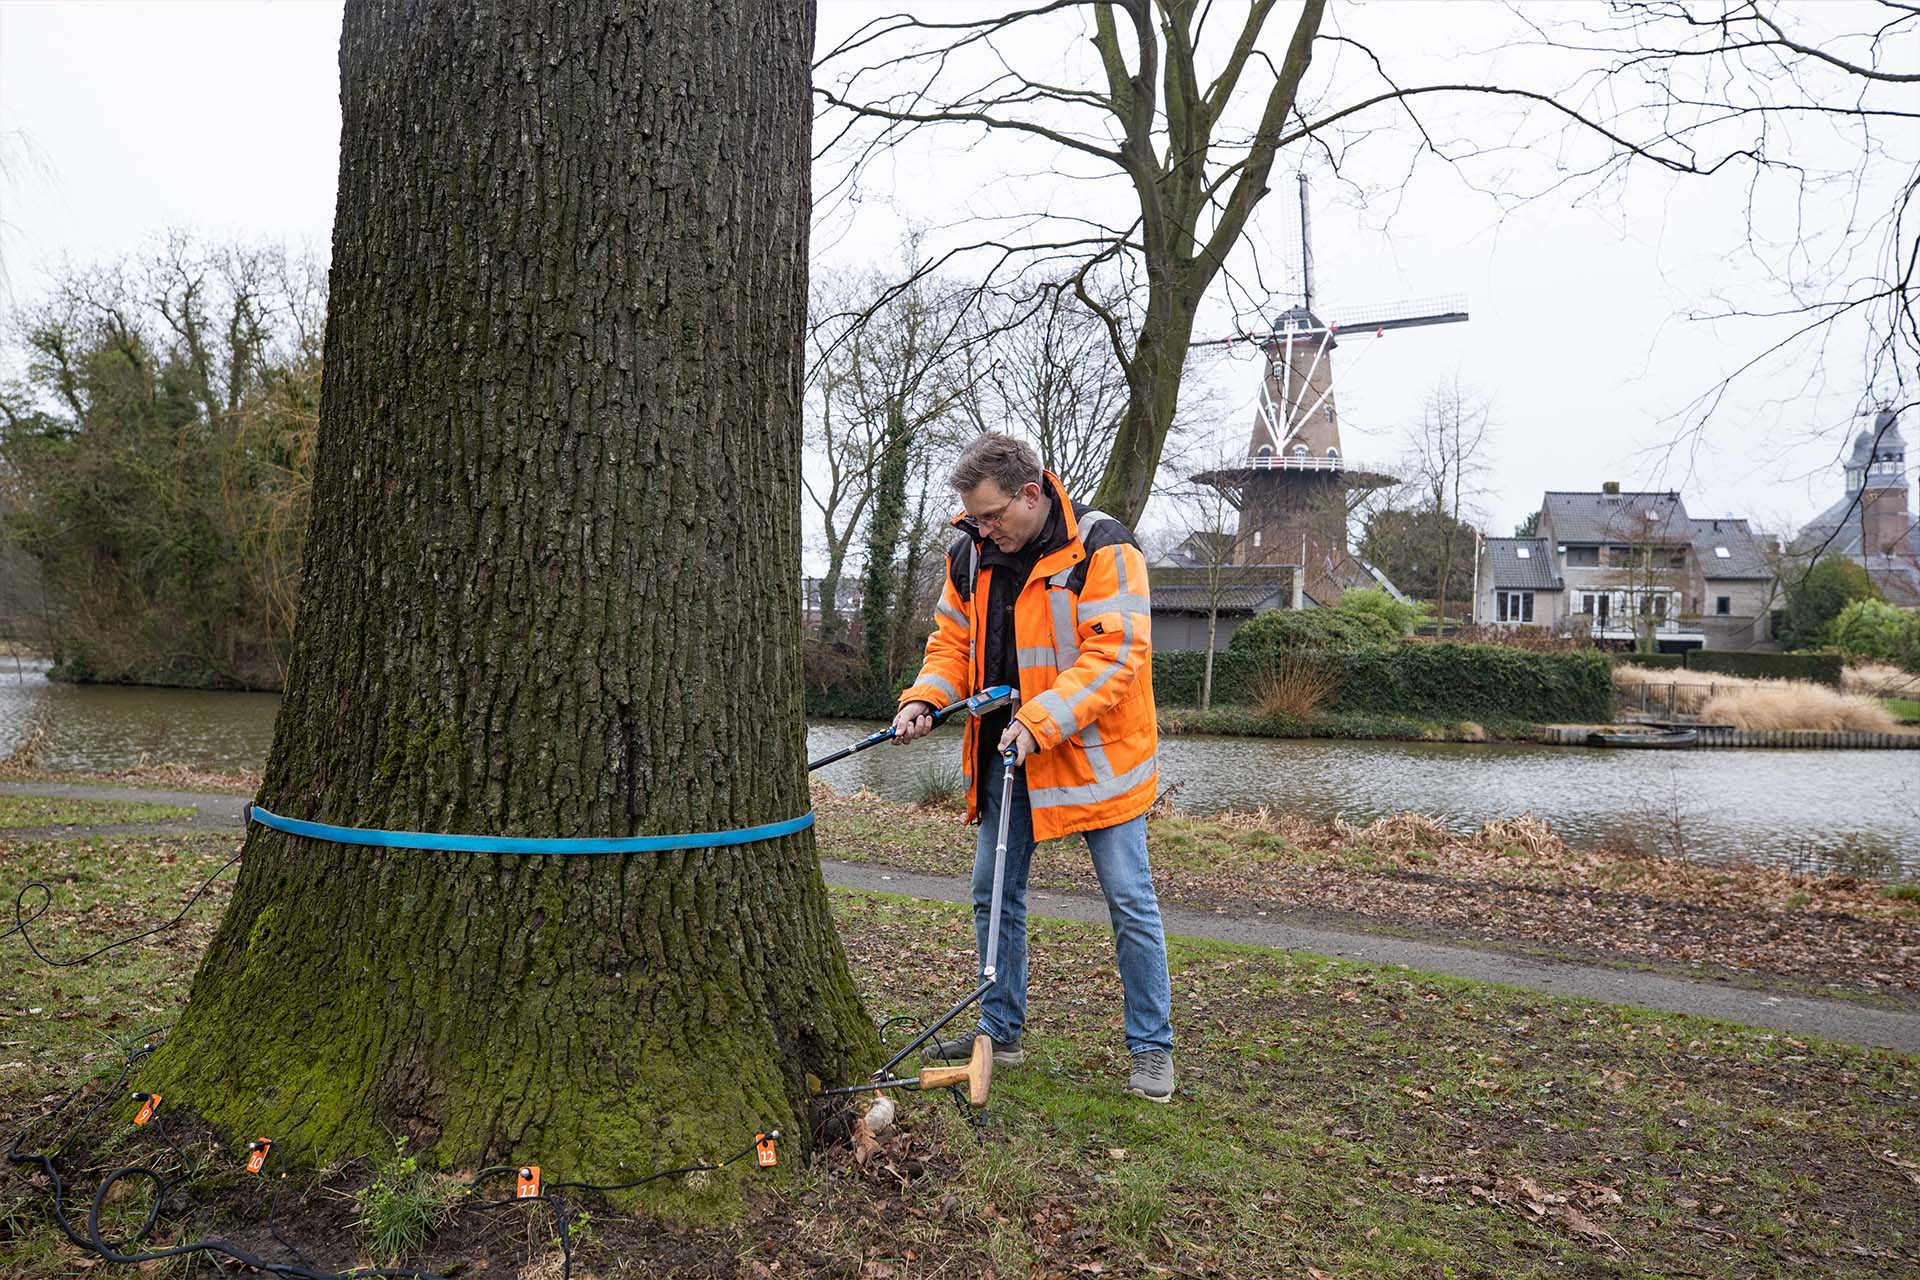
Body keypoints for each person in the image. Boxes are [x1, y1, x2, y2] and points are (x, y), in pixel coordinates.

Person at [892, 433, 1175, 1102]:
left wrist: (1040, 720)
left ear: (1032, 492)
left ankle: (1152, 1049)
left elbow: (1116, 655)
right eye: (975, 517)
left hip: (1095, 760)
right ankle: (1001, 1031)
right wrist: (924, 699)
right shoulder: (969, 554)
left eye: (992, 515)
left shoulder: (1105, 548)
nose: (983, 528)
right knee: (994, 895)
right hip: (1008, 754)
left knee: (1130, 901)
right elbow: (951, 644)